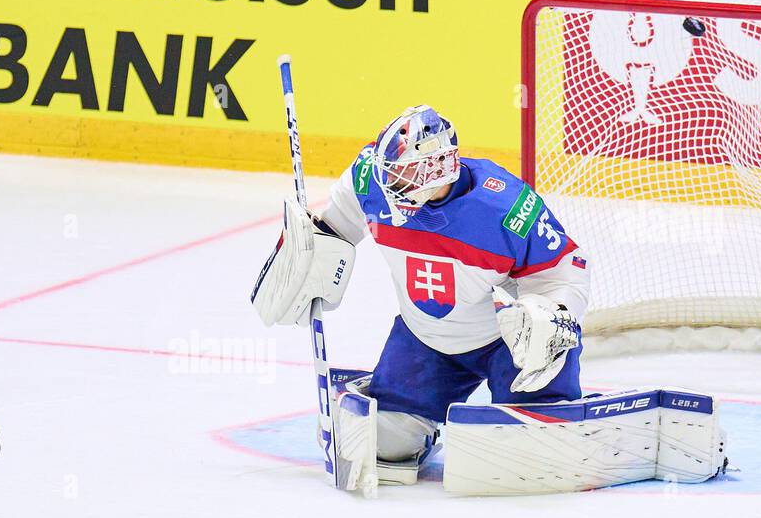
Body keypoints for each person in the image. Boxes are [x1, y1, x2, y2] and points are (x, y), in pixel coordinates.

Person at [251, 106, 589, 489]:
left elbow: (565, 268)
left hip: (507, 343)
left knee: (532, 449)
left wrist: (552, 314)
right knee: (379, 444)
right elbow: (336, 226)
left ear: (440, 170)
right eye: (391, 169)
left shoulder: (505, 207)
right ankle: (420, 419)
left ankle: (549, 405)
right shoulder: (371, 178)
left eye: (405, 173)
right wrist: (311, 253)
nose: (389, 181)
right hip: (425, 338)